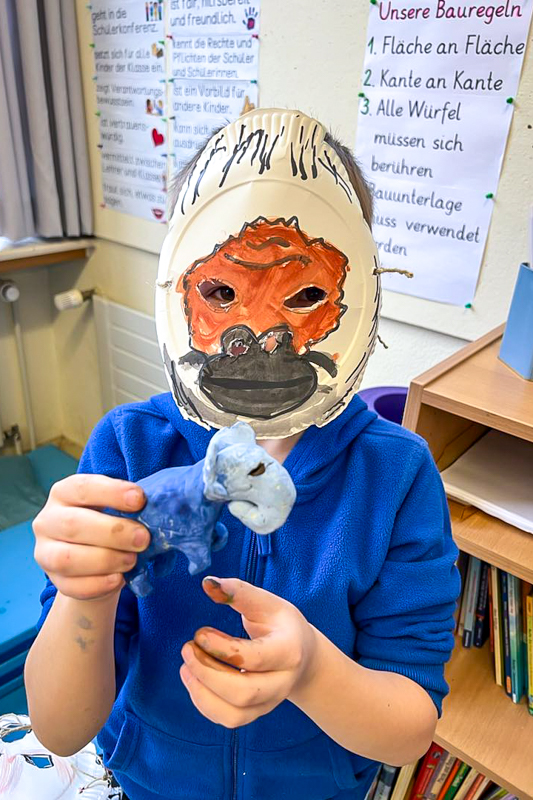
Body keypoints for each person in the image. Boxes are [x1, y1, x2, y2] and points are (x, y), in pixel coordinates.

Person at [25, 109, 461, 800]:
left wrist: (313, 670)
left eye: (305, 296)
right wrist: (86, 591)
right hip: (149, 781)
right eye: (222, 291)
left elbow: (409, 730)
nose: (259, 333)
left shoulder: (396, 475)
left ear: (359, 294)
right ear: (179, 284)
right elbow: (58, 728)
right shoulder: (129, 448)